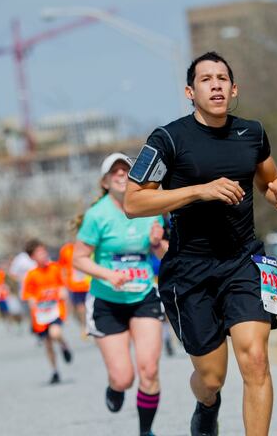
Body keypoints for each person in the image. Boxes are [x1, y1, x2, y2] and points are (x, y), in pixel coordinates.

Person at [124, 51, 277, 436]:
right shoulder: (169, 139)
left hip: (243, 261)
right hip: (189, 270)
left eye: (222, 78)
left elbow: (269, 178)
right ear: (190, 91)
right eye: (206, 79)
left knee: (255, 359)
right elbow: (133, 202)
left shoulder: (252, 132)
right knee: (211, 377)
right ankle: (206, 405)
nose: (216, 84)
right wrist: (198, 191)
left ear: (234, 88)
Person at [73, 153, 169, 436]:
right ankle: (115, 388)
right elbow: (79, 259)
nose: (120, 174)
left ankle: (145, 431)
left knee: (149, 370)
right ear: (105, 181)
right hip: (107, 302)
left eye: (125, 169)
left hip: (143, 297)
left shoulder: (150, 210)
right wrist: (108, 275)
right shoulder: (97, 215)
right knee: (123, 377)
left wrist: (157, 243)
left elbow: (165, 255)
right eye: (113, 171)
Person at [23, 242, 73, 384]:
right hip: (41, 313)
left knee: (55, 333)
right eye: (39, 253)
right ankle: (54, 371)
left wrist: (63, 293)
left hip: (55, 309)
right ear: (32, 257)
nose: (43, 255)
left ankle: (64, 345)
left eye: (44, 252)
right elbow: (29, 295)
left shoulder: (55, 268)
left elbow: (63, 284)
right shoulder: (31, 275)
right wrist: (33, 303)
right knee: (48, 344)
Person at [58, 242, 91, 336]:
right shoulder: (66, 250)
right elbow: (62, 267)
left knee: (87, 306)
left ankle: (87, 326)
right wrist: (64, 282)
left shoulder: (89, 246)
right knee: (78, 308)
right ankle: (84, 325)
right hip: (74, 285)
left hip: (88, 283)